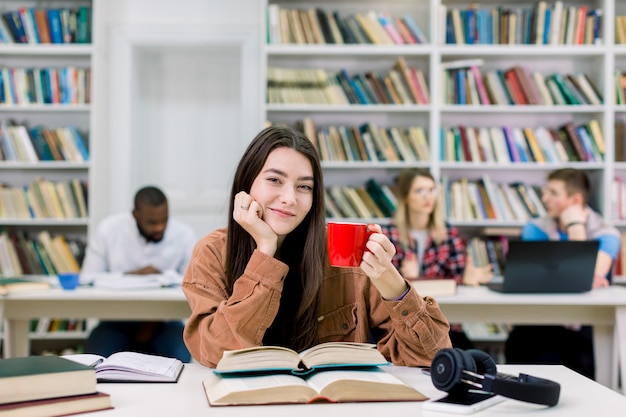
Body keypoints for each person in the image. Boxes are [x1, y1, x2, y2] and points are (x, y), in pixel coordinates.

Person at [181, 126, 452, 368]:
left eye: (304, 186)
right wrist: (265, 251)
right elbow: (218, 353)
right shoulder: (212, 252)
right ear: (246, 184)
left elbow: (432, 356)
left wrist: (388, 277)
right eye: (274, 180)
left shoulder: (341, 254)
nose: (289, 199)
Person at [504, 168, 620, 379]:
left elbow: (585, 276)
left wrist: (575, 226)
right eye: (545, 191)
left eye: (553, 193)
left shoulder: (607, 234)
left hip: (581, 326)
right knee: (519, 343)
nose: (544, 197)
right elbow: (531, 276)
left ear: (576, 200)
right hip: (538, 320)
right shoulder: (535, 228)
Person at [380, 168, 493, 349]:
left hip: (443, 322)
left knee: (469, 357)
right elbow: (380, 284)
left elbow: (456, 279)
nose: (428, 197)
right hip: (402, 325)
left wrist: (466, 279)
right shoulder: (389, 234)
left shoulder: (448, 233)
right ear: (405, 197)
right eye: (420, 191)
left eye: (432, 190)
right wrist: (406, 279)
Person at [81, 186, 197, 362]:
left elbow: (194, 284)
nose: (159, 227)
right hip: (116, 322)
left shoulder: (184, 235)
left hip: (164, 324)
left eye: (164, 220)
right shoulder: (109, 230)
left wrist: (163, 275)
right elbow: (88, 278)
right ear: (135, 215)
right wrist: (129, 275)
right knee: (95, 361)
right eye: (151, 222)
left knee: (181, 357)